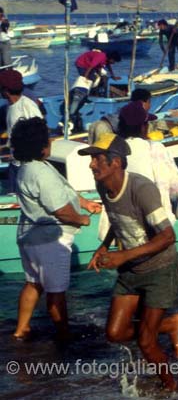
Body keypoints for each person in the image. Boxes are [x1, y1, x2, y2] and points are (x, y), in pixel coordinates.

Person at [81, 133, 178, 391]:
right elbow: (117, 221)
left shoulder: (141, 188)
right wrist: (103, 247)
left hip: (159, 269)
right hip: (131, 270)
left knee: (147, 343)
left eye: (97, 159)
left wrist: (121, 256)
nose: (91, 164)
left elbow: (168, 236)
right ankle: (169, 324)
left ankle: (173, 388)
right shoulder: (104, 186)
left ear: (116, 162)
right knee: (114, 334)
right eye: (92, 159)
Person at [11, 117, 101, 341]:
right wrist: (81, 218)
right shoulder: (41, 173)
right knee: (56, 291)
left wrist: (84, 203)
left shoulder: (30, 167)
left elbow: (63, 190)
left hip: (30, 237)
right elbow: (60, 209)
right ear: (42, 147)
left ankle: (21, 328)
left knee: (33, 283)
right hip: (50, 241)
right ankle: (64, 335)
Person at [116, 101, 178, 225]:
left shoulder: (115, 150)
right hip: (157, 222)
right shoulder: (155, 148)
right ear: (144, 127)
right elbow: (176, 188)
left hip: (125, 223)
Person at [0, 69, 43, 192]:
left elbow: (40, 134)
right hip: (15, 162)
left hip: (26, 165)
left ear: (6, 91)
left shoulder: (27, 106)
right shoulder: (9, 107)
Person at [88, 88, 155, 144]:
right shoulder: (137, 111)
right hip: (104, 129)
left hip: (97, 124)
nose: (150, 106)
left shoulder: (128, 107)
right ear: (143, 102)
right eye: (149, 102)